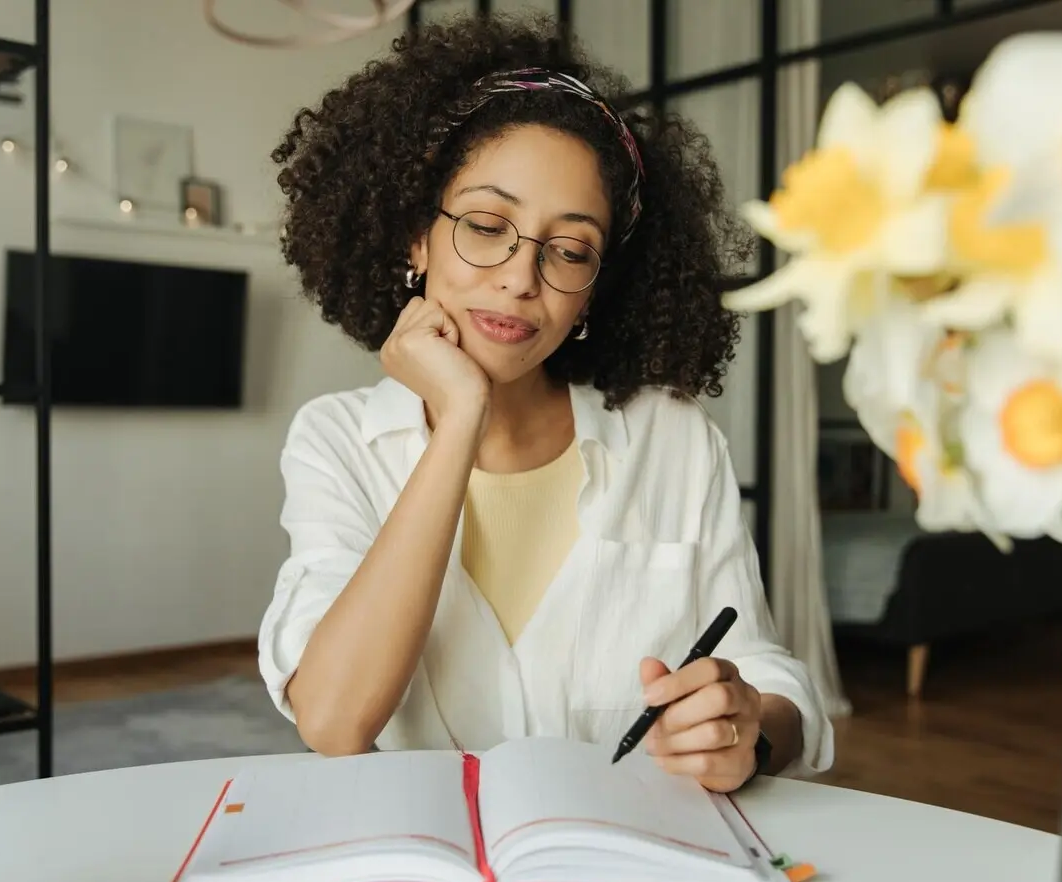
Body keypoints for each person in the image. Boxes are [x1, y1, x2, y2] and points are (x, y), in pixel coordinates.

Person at [257, 11, 832, 793]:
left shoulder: (673, 438)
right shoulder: (335, 439)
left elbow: (773, 682)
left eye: (569, 249)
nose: (522, 278)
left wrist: (746, 730)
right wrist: (460, 419)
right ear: (414, 241)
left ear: (594, 289)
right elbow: (334, 719)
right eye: (488, 227)